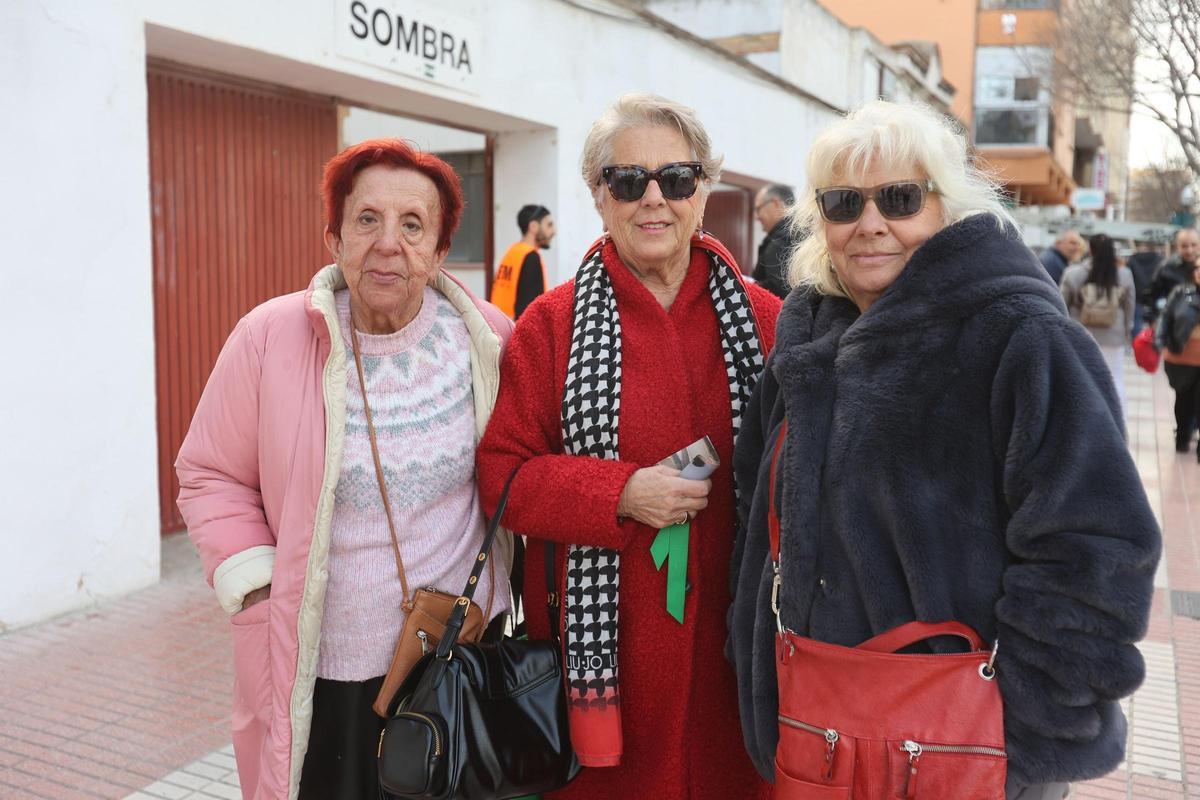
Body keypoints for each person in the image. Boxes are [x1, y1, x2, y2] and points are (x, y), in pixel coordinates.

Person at [728, 101, 1159, 800]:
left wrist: (1021, 730)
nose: (870, 223)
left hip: (966, 754)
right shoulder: (806, 344)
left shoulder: (1019, 337)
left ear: (945, 206)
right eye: (844, 203)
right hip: (823, 737)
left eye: (899, 198)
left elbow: (1097, 551)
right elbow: (757, 522)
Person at [175, 138, 515, 799]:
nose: (388, 243)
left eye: (413, 225)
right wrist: (256, 583)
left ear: (441, 249)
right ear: (333, 236)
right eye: (367, 220)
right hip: (326, 671)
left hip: (458, 661)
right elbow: (210, 471)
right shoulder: (270, 338)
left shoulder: (489, 339)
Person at [477, 93, 782, 799]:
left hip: (734, 668)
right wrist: (618, 493)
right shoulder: (550, 326)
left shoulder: (769, 320)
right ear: (597, 194)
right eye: (627, 180)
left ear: (704, 190)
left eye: (676, 179)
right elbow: (502, 478)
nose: (654, 199)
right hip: (600, 672)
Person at [1061, 233, 1135, 411]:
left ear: (1090, 250)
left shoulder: (1073, 273)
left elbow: (1061, 304)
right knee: (1114, 378)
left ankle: (1081, 417)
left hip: (1080, 335)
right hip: (1113, 335)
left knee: (1080, 378)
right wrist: (1126, 332)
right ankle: (1117, 421)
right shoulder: (1124, 275)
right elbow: (1129, 306)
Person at [1155, 260, 1200, 454]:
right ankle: (1182, 437)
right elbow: (1166, 316)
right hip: (1182, 357)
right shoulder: (1181, 292)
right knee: (1183, 401)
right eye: (1198, 268)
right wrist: (1160, 340)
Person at [492, 203, 555, 320]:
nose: (553, 231)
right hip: (516, 331)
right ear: (533, 227)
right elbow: (531, 310)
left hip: (500, 326)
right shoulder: (531, 257)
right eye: (549, 225)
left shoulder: (512, 252)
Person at [753, 183, 800, 298]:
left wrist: (749, 286)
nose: (756, 217)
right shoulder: (803, 233)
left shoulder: (780, 240)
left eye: (758, 209)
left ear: (775, 203)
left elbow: (778, 289)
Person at [1148, 227, 1200, 319]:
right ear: (1178, 246)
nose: (1189, 250)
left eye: (1193, 245)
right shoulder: (1166, 268)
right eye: (1184, 246)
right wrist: (1154, 320)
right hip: (1173, 325)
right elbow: (1151, 297)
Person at [1127, 239, 1164, 329]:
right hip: (1155, 297)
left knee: (1137, 322)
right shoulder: (1160, 260)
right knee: (1155, 324)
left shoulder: (1132, 259)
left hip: (1137, 297)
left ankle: (1137, 341)